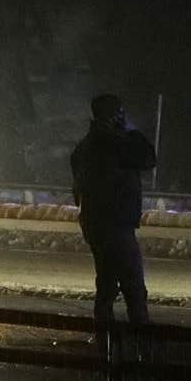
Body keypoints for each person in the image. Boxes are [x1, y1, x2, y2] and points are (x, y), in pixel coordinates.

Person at [71, 93, 156, 325]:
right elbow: (149, 157)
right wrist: (131, 130)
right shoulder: (115, 144)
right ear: (115, 116)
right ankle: (139, 337)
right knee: (133, 285)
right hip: (117, 224)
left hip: (93, 222)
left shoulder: (85, 146)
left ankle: (104, 334)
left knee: (107, 282)